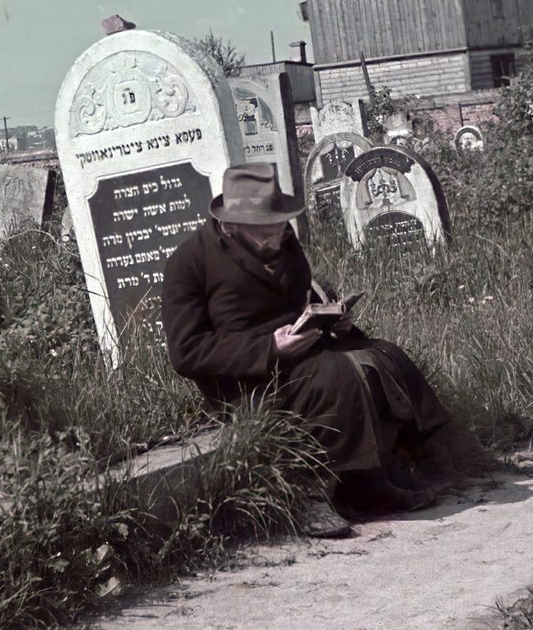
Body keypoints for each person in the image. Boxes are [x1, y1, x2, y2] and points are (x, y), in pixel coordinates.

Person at [161, 164, 454, 534]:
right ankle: (309, 495)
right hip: (245, 378)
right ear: (231, 224)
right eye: (263, 231)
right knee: (334, 376)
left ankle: (377, 480)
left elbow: (298, 303)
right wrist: (271, 348)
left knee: (381, 357)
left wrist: (333, 322)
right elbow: (186, 352)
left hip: (299, 349)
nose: (276, 237)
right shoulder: (189, 263)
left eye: (279, 226)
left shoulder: (284, 241)